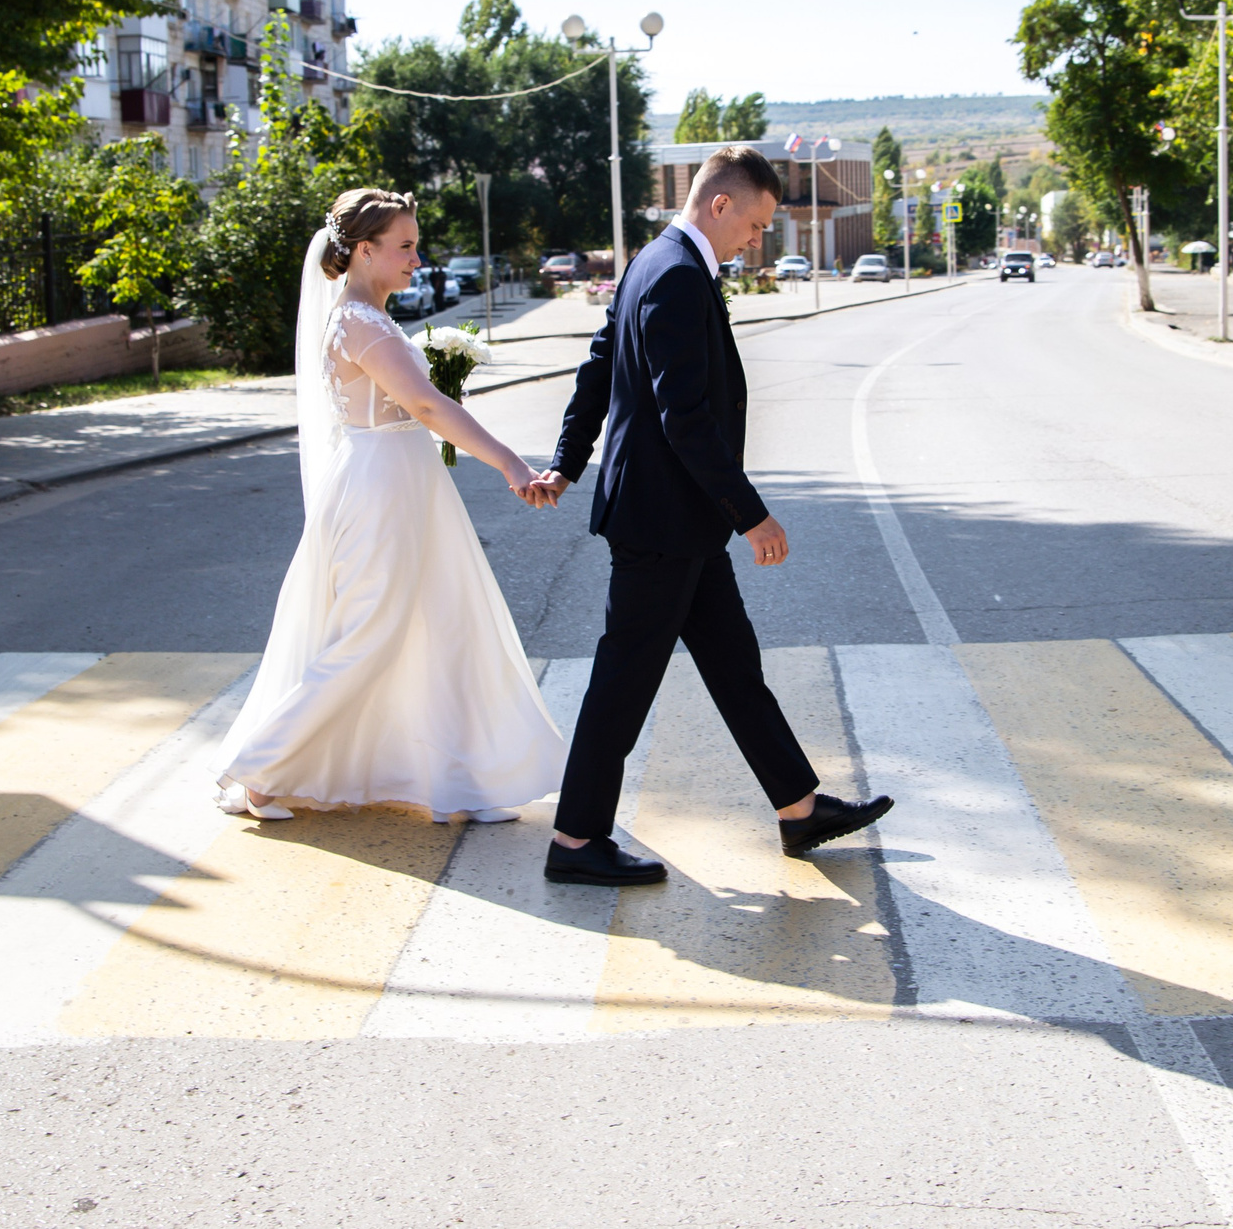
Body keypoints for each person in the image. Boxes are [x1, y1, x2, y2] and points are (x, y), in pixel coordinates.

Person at [529, 144, 894, 886]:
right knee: (622, 682)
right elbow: (684, 417)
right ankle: (574, 840)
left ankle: (799, 807)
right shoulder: (675, 275)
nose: (757, 240)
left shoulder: (655, 263)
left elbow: (600, 364)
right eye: (755, 224)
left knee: (734, 667)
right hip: (662, 523)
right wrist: (751, 514)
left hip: (680, 522)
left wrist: (568, 461)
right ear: (719, 205)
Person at [214, 189, 565, 825]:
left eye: (415, 245)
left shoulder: (369, 319)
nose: (415, 258)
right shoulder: (358, 322)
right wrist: (511, 463)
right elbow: (427, 408)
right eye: (404, 246)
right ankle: (261, 771)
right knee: (369, 634)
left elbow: (418, 406)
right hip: (383, 490)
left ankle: (469, 780)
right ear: (364, 250)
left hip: (407, 481)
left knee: (448, 624)